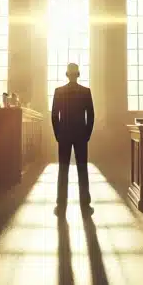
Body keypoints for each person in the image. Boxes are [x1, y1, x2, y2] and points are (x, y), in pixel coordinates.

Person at [51, 63, 95, 217]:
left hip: (64, 134)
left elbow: (54, 116)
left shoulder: (59, 92)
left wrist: (58, 134)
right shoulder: (85, 92)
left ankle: (61, 203)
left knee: (63, 170)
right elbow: (90, 115)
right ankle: (85, 203)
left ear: (66, 74)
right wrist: (87, 134)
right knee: (82, 169)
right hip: (81, 135)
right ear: (78, 74)